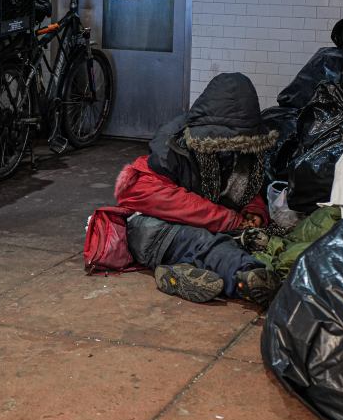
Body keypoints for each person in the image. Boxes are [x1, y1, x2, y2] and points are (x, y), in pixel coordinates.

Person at [115, 73, 281, 305]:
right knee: (200, 241)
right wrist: (227, 219)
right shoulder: (174, 143)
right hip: (157, 230)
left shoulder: (242, 151)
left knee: (229, 241)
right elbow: (141, 193)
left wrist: (254, 212)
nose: (230, 148)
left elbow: (246, 189)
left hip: (209, 229)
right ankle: (247, 276)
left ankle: (180, 273)